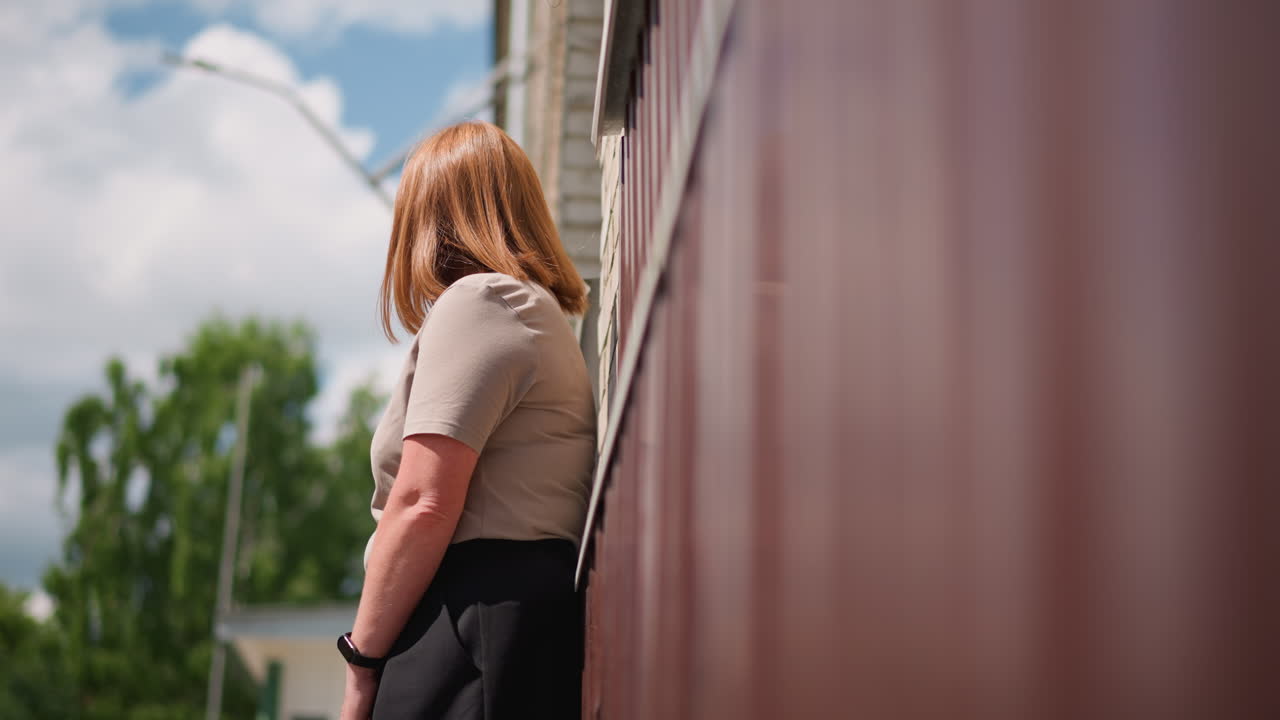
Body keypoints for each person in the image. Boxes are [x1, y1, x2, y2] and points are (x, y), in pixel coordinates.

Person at [338, 121, 596, 720]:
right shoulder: (527, 312)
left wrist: (361, 668)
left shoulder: (483, 302)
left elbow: (423, 502)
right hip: (501, 620)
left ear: (429, 218)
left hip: (468, 618)